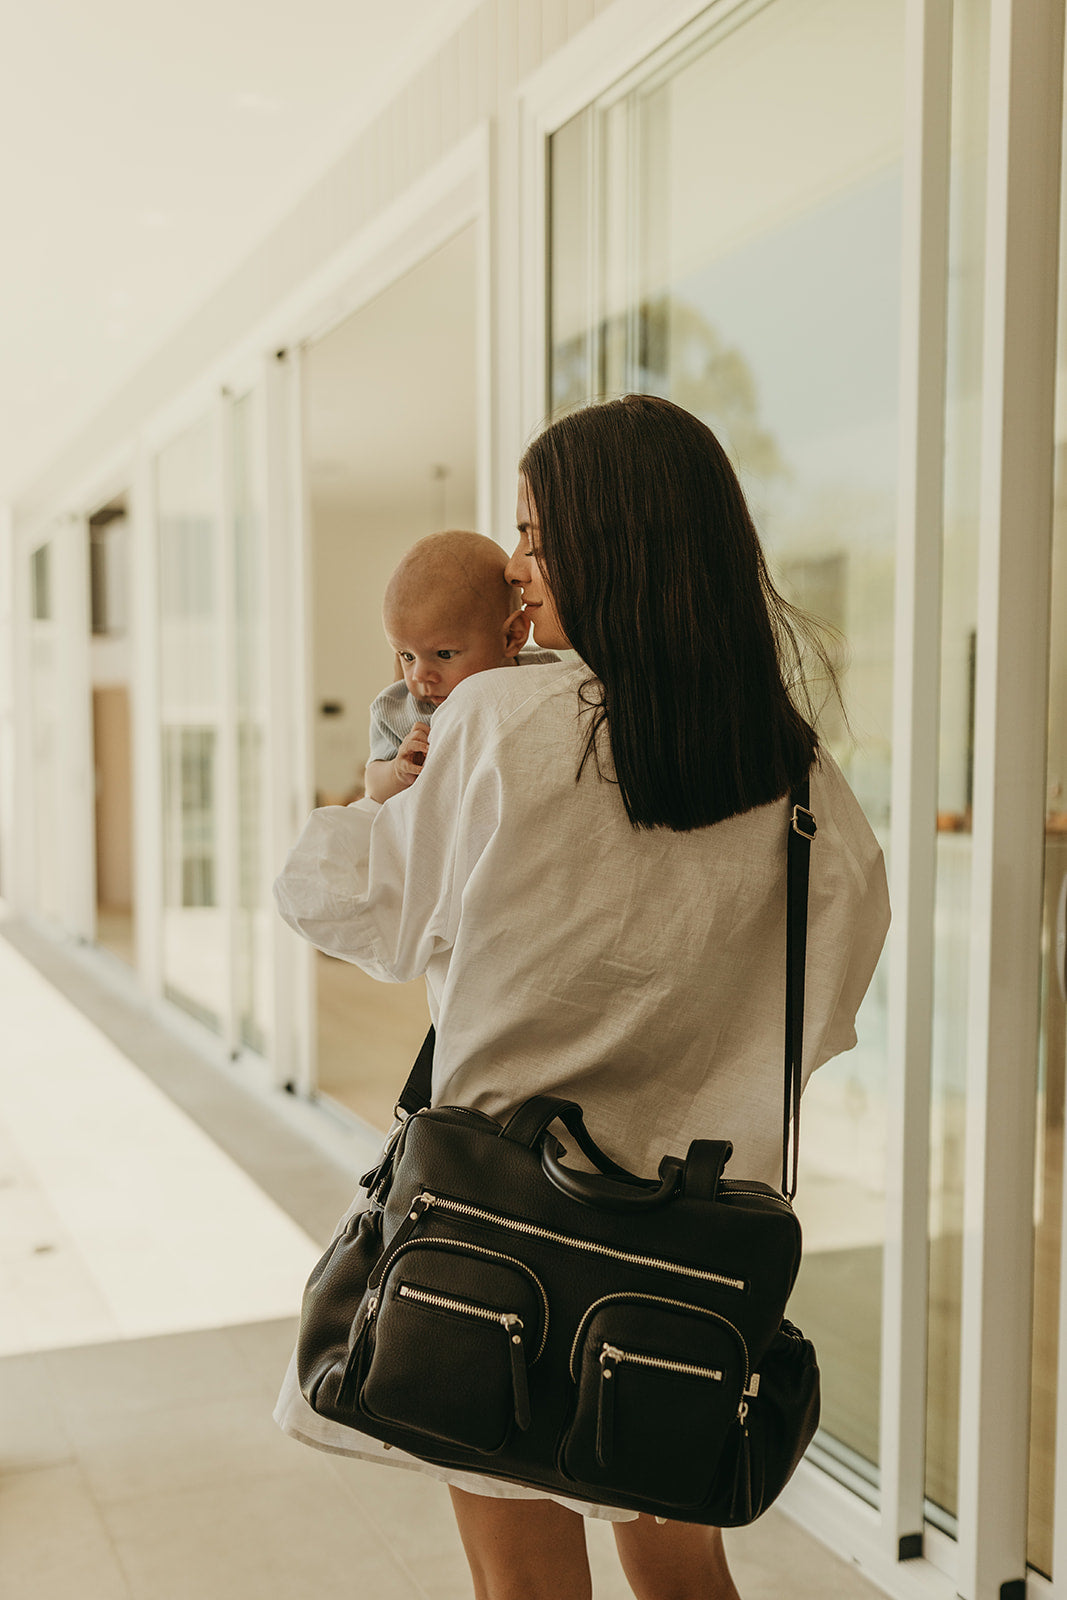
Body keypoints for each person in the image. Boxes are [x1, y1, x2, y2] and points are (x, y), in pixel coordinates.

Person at [273, 394, 890, 1600]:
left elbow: (341, 906)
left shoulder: (499, 721)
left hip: (489, 1227)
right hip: (682, 1262)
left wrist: (378, 794)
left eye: (536, 537)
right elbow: (820, 1013)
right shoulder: (798, 776)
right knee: (682, 1578)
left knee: (524, 1586)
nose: (514, 567)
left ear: (619, 547)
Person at [364, 528, 559, 802]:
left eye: (444, 654)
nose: (419, 675)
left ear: (511, 636)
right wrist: (398, 772)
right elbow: (373, 787)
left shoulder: (544, 678)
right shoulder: (397, 710)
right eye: (407, 656)